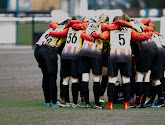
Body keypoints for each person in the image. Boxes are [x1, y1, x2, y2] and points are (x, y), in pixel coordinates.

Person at [34, 19, 69, 107]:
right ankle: (54, 101)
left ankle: (47, 101)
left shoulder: (52, 28)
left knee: (45, 75)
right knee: (52, 76)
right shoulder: (66, 30)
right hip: (49, 51)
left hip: (38, 50)